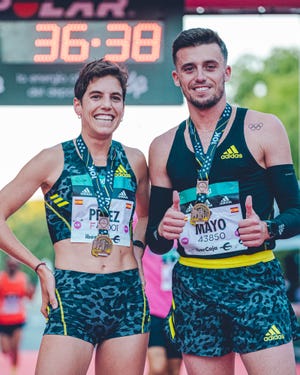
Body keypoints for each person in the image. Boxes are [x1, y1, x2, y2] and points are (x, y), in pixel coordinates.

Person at [146, 27, 300, 375]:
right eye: (189, 69)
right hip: (195, 287)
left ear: (226, 72)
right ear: (176, 77)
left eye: (210, 66)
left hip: (255, 280)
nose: (200, 76)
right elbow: (156, 242)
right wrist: (163, 229)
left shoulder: (263, 128)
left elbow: (297, 212)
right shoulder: (163, 146)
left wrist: (268, 228)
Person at [0, 59, 150, 375]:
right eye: (96, 96)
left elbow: (146, 215)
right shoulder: (52, 159)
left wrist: (136, 251)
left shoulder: (135, 160)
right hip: (73, 295)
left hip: (127, 296)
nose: (106, 105)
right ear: (78, 105)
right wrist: (39, 267)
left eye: (115, 97)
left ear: (123, 107)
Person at [142, 246, 182, 375]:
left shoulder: (184, 234)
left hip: (178, 311)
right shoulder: (146, 231)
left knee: (173, 370)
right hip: (153, 310)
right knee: (158, 367)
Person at [0, 256, 35, 374]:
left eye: (14, 264)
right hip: (3, 320)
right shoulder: (1, 278)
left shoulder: (23, 278)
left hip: (18, 319)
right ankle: (10, 359)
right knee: (5, 349)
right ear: (7, 264)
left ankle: (14, 370)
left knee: (15, 347)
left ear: (18, 266)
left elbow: (29, 297)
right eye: (10, 264)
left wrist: (30, 291)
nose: (12, 266)